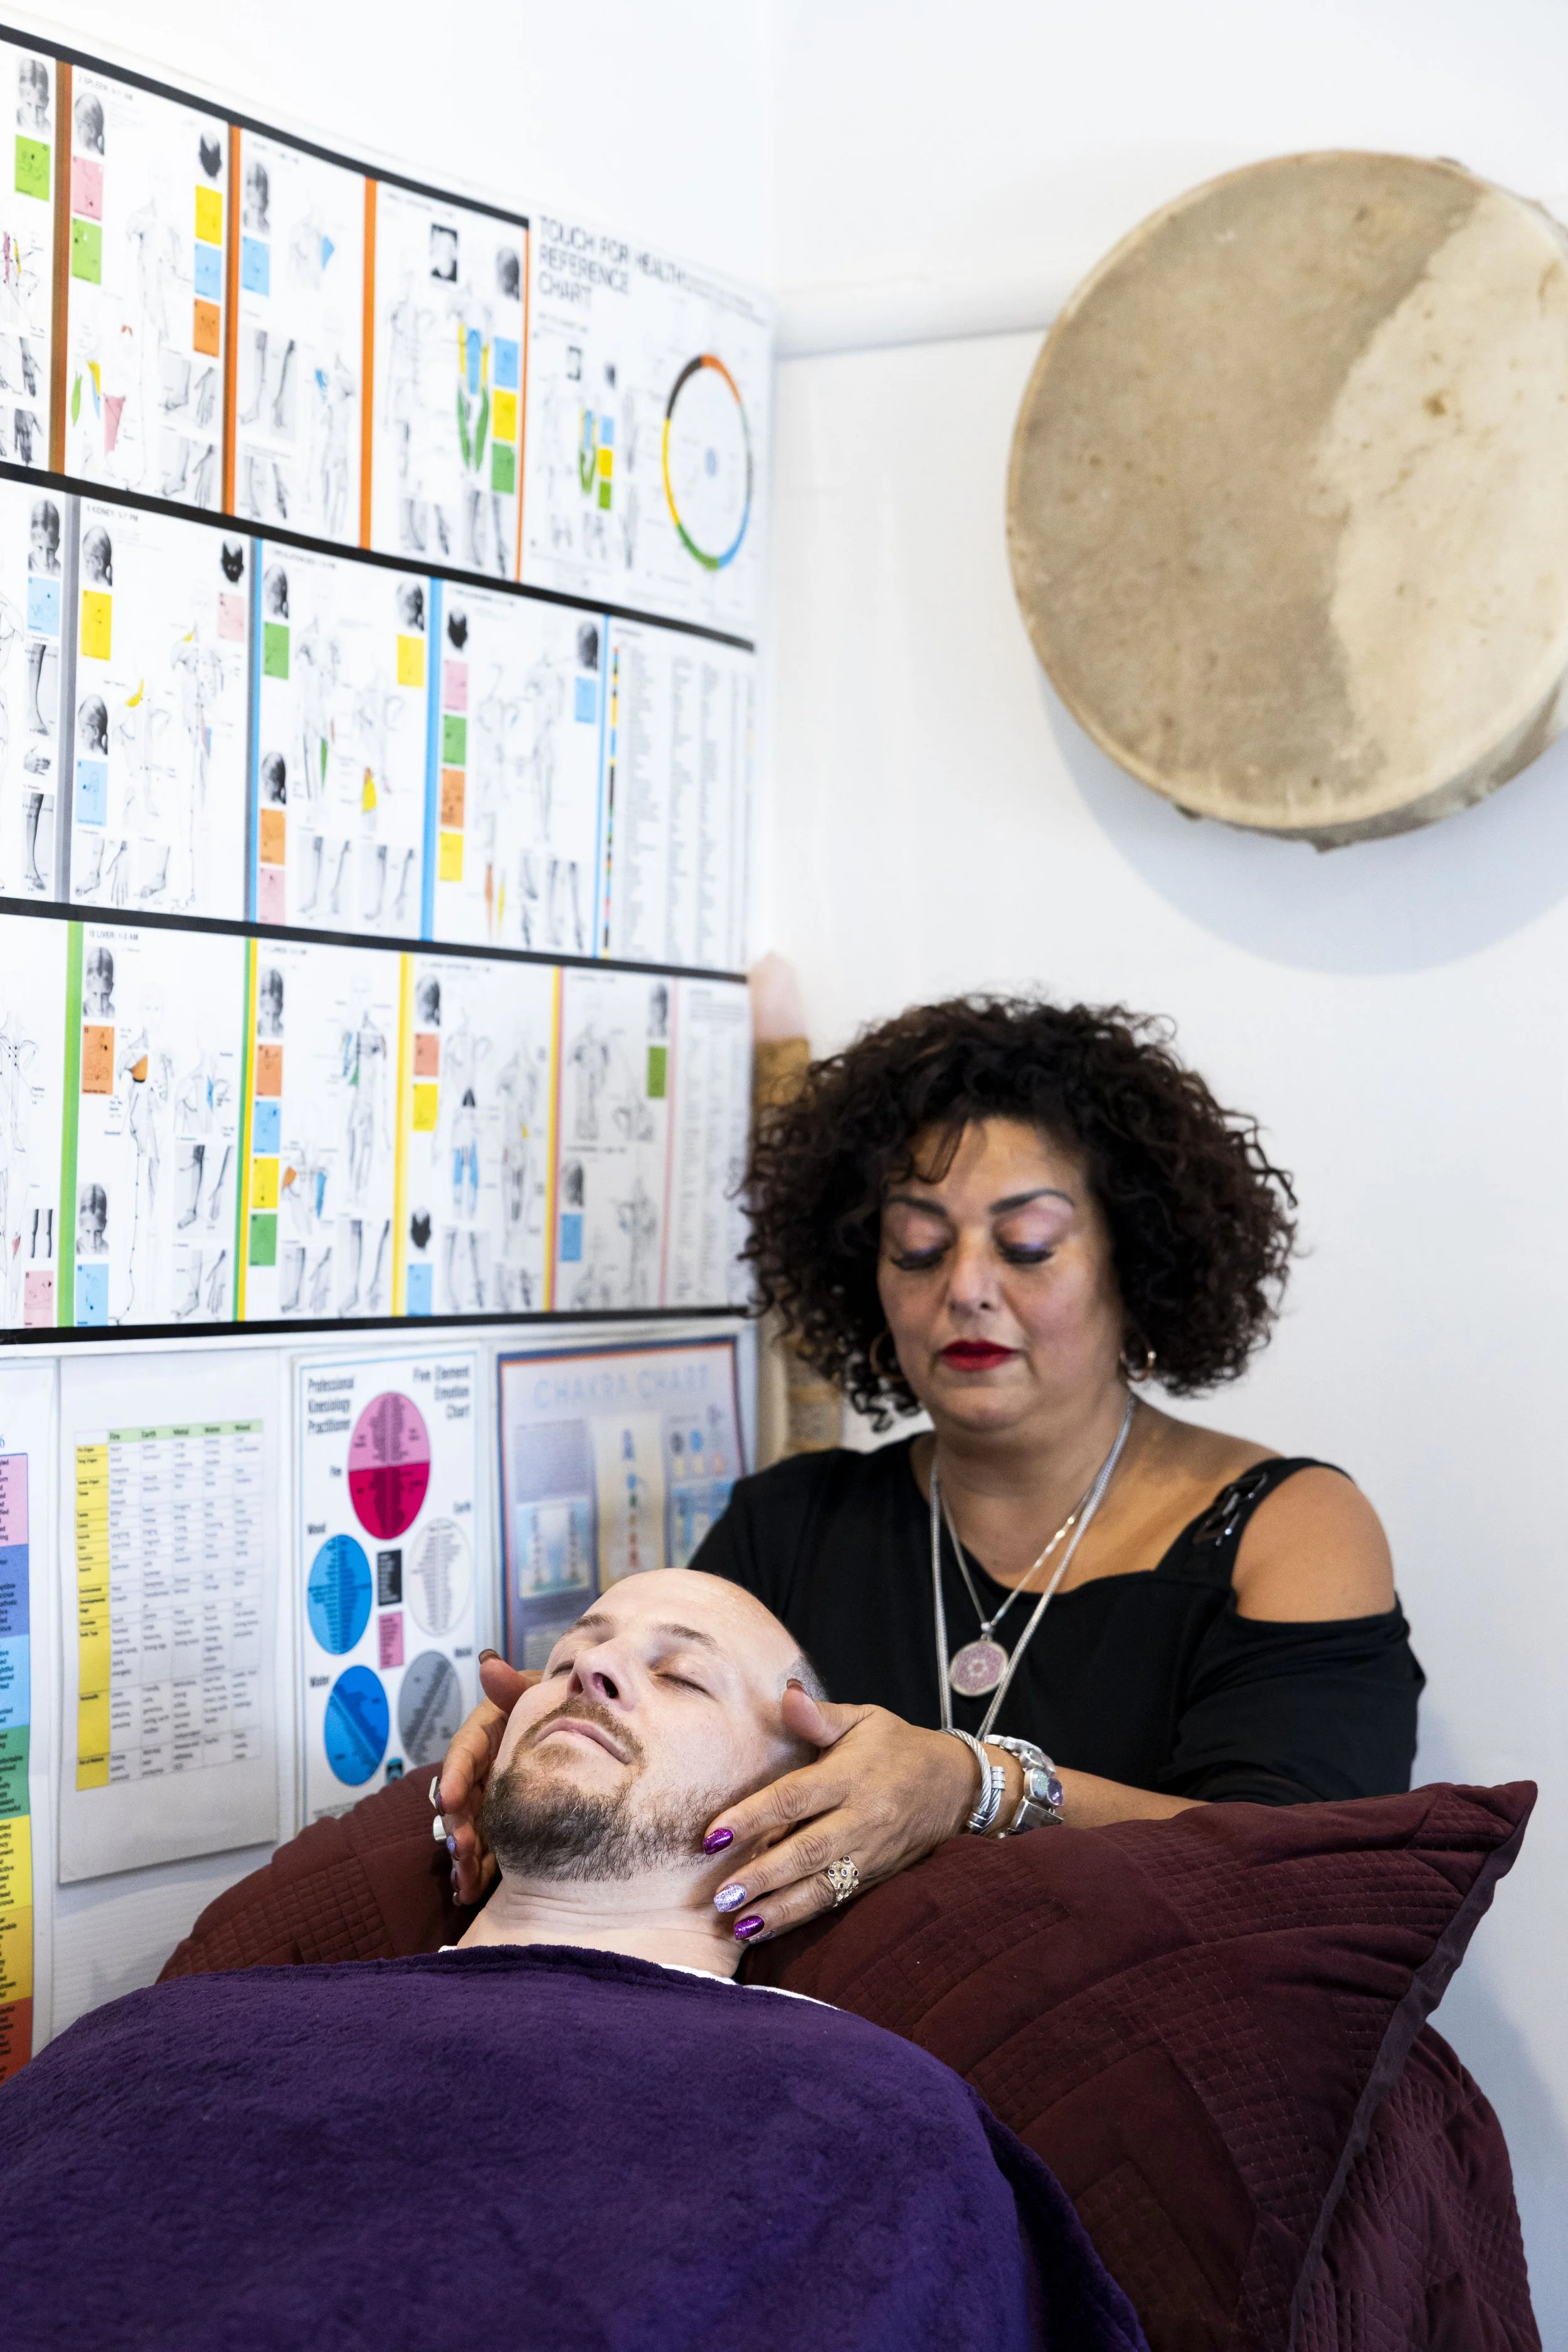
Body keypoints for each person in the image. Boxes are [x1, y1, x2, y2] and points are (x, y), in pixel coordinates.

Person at [442, 995, 1422, 1948]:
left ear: (1139, 1260)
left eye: (1026, 1244)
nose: (965, 1288)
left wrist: (975, 1784)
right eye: (918, 1246)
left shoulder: (1289, 1530)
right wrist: (553, 1738)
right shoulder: (790, 1525)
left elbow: (1302, 1876)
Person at [0, 1571, 1145, 2352]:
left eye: (682, 1675)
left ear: (796, 1792)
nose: (592, 1674)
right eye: (571, 1655)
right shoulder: (162, 2035)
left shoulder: (875, 2122)